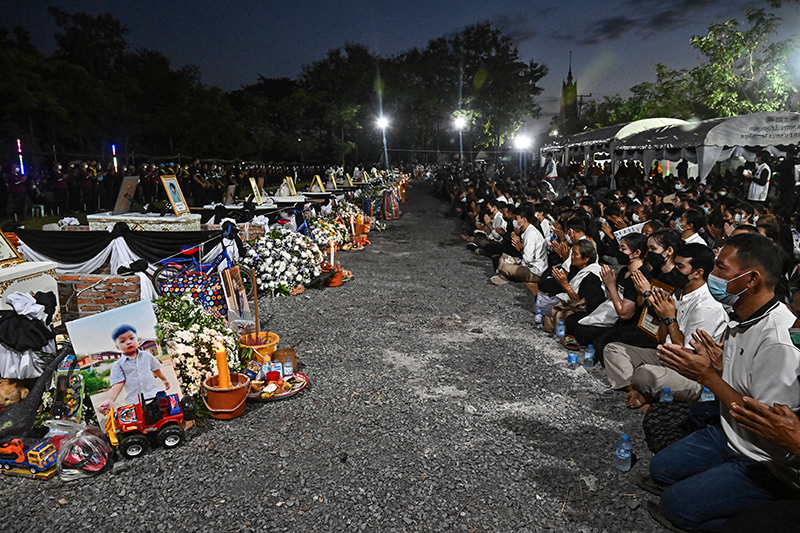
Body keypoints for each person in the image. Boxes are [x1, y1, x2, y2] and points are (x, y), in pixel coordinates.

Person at [646, 233, 800, 531]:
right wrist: (717, 364)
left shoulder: (779, 342)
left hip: (760, 458)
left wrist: (706, 376)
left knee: (678, 507)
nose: (712, 276)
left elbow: (763, 424)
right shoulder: (742, 315)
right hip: (728, 432)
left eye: (720, 269)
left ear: (751, 278)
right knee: (660, 470)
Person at [604, 243, 727, 407]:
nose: (674, 270)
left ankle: (642, 389)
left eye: (680, 267)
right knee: (613, 349)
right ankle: (636, 390)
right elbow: (662, 341)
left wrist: (669, 318)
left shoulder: (707, 307)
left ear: (697, 273)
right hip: (667, 357)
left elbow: (687, 357)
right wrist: (663, 317)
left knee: (644, 374)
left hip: (691, 374)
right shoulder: (679, 292)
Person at [98, 325, 170, 415]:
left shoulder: (147, 356)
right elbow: (118, 384)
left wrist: (164, 379)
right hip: (134, 402)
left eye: (131, 338)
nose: (128, 342)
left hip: (153, 396)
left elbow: (155, 369)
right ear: (117, 347)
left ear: (138, 340)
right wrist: (110, 399)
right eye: (123, 341)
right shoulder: (118, 365)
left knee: (161, 417)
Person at [491, 204, 548, 292]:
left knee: (505, 267)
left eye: (516, 219)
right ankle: (506, 275)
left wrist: (520, 248)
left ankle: (505, 275)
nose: (514, 221)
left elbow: (528, 259)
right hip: (527, 265)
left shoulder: (531, 234)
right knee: (503, 257)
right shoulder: (526, 231)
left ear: (524, 220)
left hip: (535, 271)